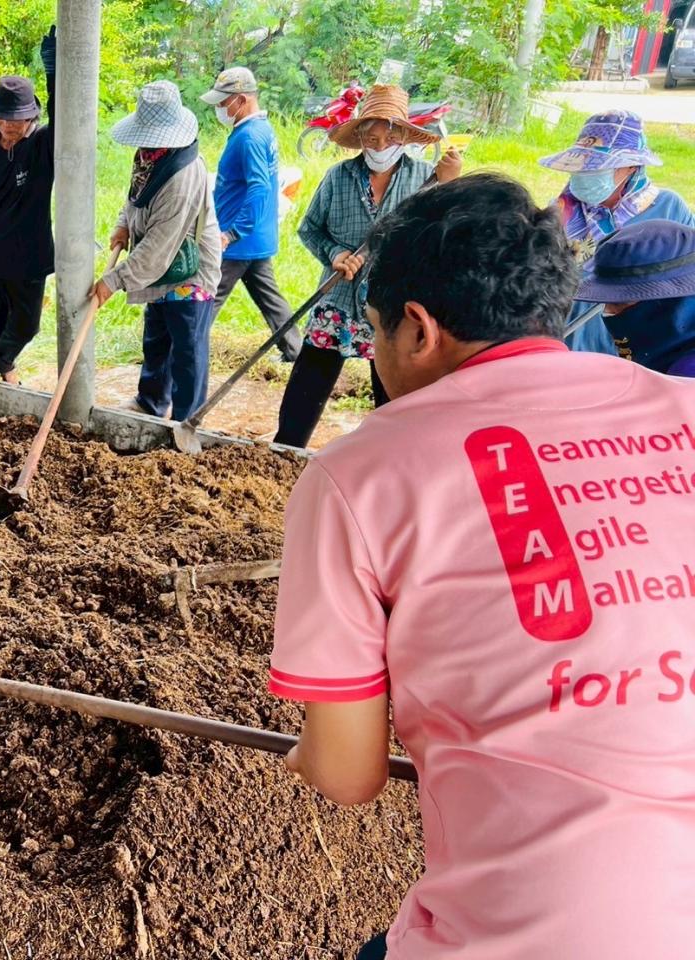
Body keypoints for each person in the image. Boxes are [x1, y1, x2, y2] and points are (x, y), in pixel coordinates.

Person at [269, 173, 695, 958]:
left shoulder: (363, 473)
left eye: (375, 333)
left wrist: (310, 754)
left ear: (418, 329)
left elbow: (347, 774)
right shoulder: (684, 407)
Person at [273, 84, 461, 449]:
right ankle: (285, 451)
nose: (380, 146)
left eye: (389, 138)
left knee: (392, 394)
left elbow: (444, 237)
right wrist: (334, 254)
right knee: (308, 386)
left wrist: (450, 185)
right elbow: (310, 229)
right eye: (371, 139)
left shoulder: (427, 180)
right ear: (359, 137)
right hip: (339, 298)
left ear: (404, 136)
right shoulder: (338, 177)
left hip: (393, 306)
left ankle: (390, 457)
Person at [91, 81, 221, 422]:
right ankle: (150, 403)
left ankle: (187, 420)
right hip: (158, 265)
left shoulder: (183, 176)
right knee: (157, 337)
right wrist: (123, 224)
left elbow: (159, 246)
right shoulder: (149, 156)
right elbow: (134, 197)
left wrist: (113, 280)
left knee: (187, 347)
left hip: (188, 267)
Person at [539, 110, 695, 355]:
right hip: (570, 340)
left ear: (631, 166)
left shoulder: (668, 208)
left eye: (596, 169)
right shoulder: (560, 212)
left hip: (639, 342)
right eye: (581, 168)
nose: (585, 175)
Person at [0, 27, 57, 386]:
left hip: (29, 251)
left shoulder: (43, 144)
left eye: (14, 118)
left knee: (26, 323)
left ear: (30, 116)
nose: (6, 125)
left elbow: (66, 115)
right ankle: (9, 378)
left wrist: (54, 71)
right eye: (1, 117)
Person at [198, 66, 302, 361]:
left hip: (237, 240)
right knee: (269, 297)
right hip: (255, 237)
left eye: (223, 102)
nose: (219, 108)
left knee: (206, 298)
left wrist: (232, 233)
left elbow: (259, 188)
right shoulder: (260, 130)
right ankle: (295, 351)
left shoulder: (250, 137)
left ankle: (184, 355)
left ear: (241, 100)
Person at [574, 219, 695, 377]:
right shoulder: (667, 358)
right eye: (606, 301)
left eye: (619, 303)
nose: (608, 311)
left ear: (672, 303)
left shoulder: (685, 376)